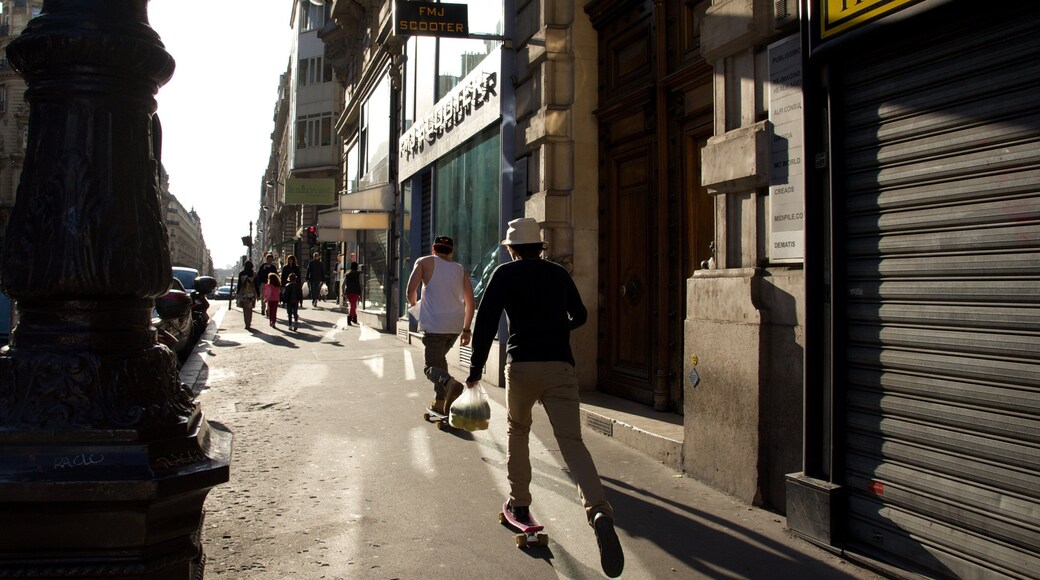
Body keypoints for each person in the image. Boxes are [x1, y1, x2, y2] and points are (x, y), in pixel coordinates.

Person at [465, 218, 624, 578]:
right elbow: (580, 316)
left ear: (510, 249)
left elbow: (486, 322)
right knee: (572, 442)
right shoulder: (557, 274)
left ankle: (519, 505)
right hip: (559, 367)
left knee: (518, 431)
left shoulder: (504, 275)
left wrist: (475, 369)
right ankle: (598, 510)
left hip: (521, 366)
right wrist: (555, 329)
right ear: (540, 246)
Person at [406, 235, 475, 415]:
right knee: (439, 361)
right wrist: (467, 330)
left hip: (435, 325)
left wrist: (415, 306)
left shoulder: (424, 261)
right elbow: (470, 302)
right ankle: (440, 401)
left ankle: (450, 383)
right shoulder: (459, 269)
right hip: (455, 326)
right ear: (451, 252)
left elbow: (410, 290)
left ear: (433, 249)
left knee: (430, 368)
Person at [236, 260, 259, 330]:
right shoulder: (254, 274)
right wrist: (258, 294)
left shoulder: (241, 273)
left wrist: (238, 292)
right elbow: (256, 284)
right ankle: (249, 322)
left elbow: (239, 284)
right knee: (250, 308)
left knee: (245, 309)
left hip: (243, 293)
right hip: (251, 293)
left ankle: (246, 323)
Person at [342, 261, 361, 326]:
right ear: (357, 267)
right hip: (355, 292)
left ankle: (354, 318)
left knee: (353, 305)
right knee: (353, 305)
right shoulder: (358, 274)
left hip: (349, 292)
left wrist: (343, 292)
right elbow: (361, 284)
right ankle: (349, 318)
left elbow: (343, 284)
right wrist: (361, 293)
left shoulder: (347, 274)